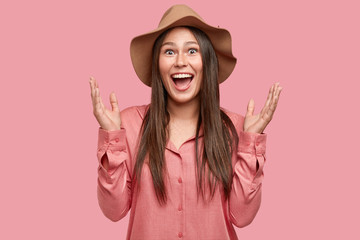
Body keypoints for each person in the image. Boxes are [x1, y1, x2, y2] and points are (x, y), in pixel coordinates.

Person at [89, 4, 282, 240]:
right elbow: (113, 211)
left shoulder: (236, 129)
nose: (180, 61)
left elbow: (242, 217)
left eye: (192, 51)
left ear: (207, 62)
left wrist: (250, 144)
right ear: (157, 65)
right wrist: (111, 138)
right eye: (169, 52)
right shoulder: (128, 125)